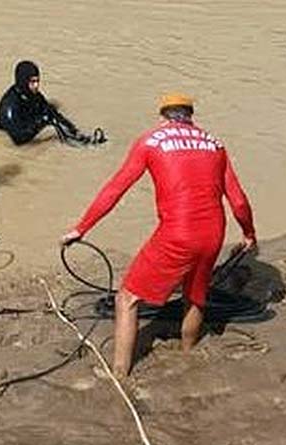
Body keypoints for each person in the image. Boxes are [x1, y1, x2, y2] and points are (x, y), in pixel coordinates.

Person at [61, 94, 257, 379]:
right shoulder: (215, 144)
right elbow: (238, 200)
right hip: (213, 232)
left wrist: (82, 228)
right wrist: (249, 233)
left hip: (177, 233)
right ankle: (189, 355)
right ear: (190, 116)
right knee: (195, 297)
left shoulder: (150, 141)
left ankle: (118, 374)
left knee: (127, 299)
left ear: (163, 116)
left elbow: (116, 188)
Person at [0, 60, 103, 146]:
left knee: (51, 113)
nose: (37, 85)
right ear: (23, 81)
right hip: (13, 136)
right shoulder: (9, 106)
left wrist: (74, 131)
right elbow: (18, 140)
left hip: (28, 124)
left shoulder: (34, 95)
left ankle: (80, 141)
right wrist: (43, 121)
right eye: (32, 82)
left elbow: (51, 112)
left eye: (38, 81)